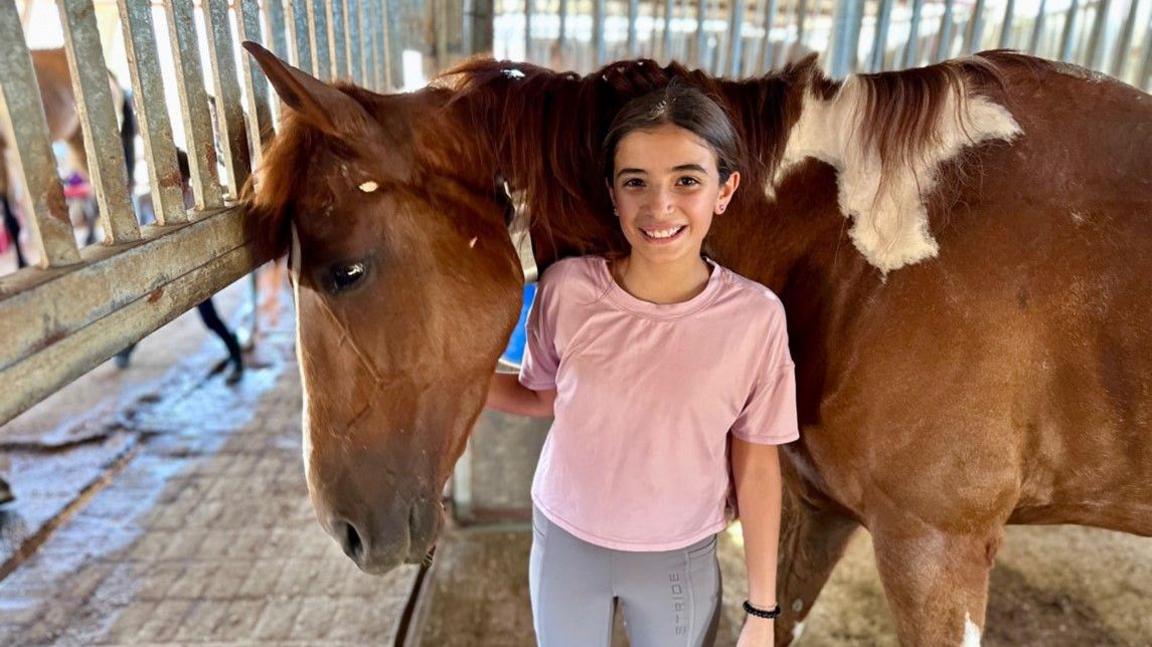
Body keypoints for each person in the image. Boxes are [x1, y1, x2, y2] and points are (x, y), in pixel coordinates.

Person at [485, 81, 799, 647]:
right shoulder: (568, 290)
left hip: (677, 556)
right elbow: (544, 398)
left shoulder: (756, 319)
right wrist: (450, 382)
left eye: (687, 180)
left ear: (724, 190)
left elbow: (756, 464)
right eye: (637, 182)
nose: (660, 207)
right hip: (565, 539)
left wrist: (763, 610)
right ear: (612, 192)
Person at [114, 150, 244, 384]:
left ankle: (235, 354)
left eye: (182, 180)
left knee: (210, 320)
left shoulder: (198, 200)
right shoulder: (146, 202)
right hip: (160, 273)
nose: (177, 185)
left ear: (188, 179)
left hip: (191, 273)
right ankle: (126, 349)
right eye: (170, 179)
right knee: (142, 317)